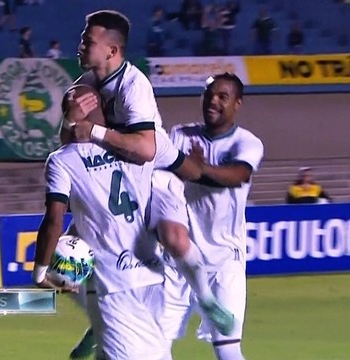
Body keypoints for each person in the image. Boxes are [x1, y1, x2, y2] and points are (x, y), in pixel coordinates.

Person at [60, 10, 233, 359]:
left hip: (155, 173)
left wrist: (91, 129)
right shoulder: (84, 86)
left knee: (173, 237)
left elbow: (147, 149)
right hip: (116, 181)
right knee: (64, 266)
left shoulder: (133, 85)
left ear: (112, 51)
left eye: (87, 41)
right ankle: (101, 321)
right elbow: (69, 142)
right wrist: (69, 119)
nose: (80, 45)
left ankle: (206, 298)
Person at [33, 87, 188, 360]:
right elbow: (186, 168)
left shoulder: (62, 161)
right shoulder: (138, 147)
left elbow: (54, 219)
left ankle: (97, 333)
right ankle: (97, 334)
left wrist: (40, 273)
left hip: (113, 282)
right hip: (154, 275)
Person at [160, 73, 264, 360]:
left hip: (224, 262)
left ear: (238, 104)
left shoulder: (247, 143)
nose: (213, 101)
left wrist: (199, 169)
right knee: (152, 347)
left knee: (228, 351)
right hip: (178, 262)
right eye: (208, 94)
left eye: (222, 96)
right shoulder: (181, 135)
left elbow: (238, 176)